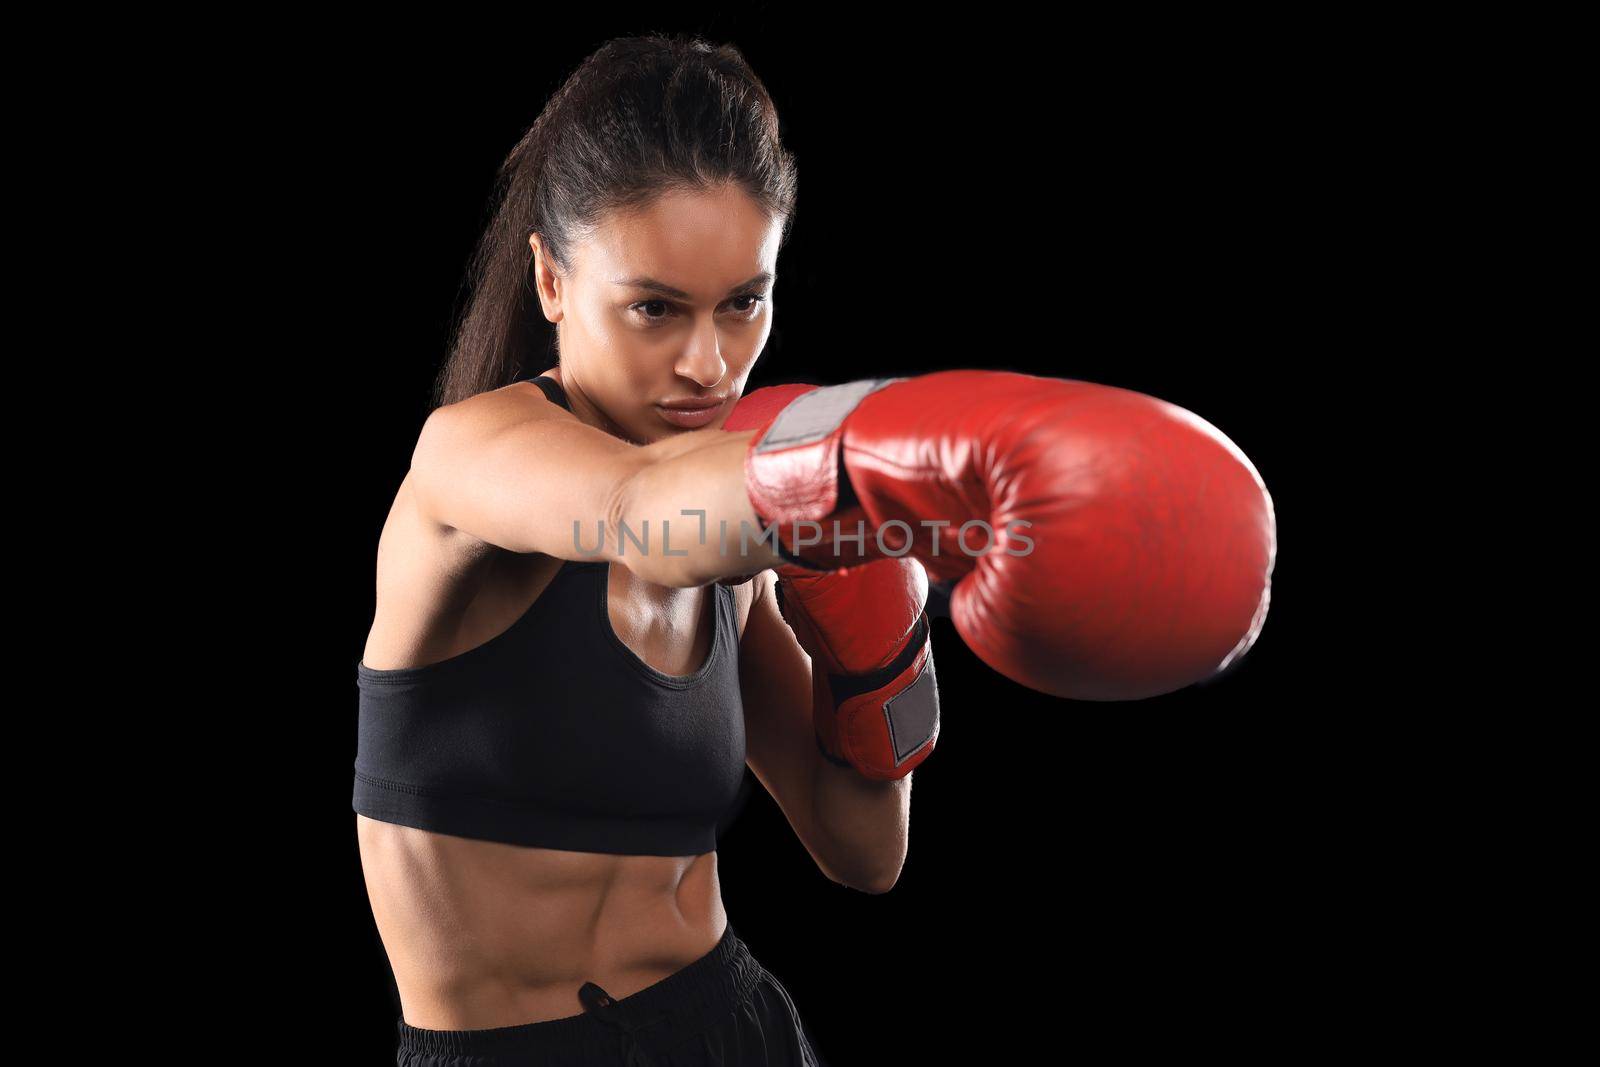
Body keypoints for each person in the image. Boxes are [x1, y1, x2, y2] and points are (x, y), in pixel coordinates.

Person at [356, 33, 909, 1067]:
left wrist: (881, 658)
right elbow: (638, 509)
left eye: (744, 301)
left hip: (735, 1026)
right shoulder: (464, 462)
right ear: (552, 282)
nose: (708, 364)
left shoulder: (734, 544)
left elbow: (864, 852)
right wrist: (876, 472)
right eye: (654, 307)